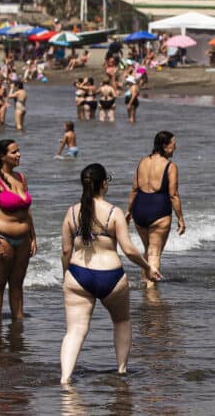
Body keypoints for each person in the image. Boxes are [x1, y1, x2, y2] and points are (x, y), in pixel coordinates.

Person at [60, 163, 161, 384]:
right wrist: (147, 267)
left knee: (75, 331)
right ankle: (122, 371)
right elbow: (129, 249)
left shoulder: (71, 212)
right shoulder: (114, 212)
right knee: (122, 321)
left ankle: (65, 379)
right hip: (111, 277)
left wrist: (66, 276)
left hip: (78, 275)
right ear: (104, 184)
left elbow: (67, 250)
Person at [0, 140, 37, 322]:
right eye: (14, 152)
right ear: (2, 156)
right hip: (3, 238)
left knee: (17, 283)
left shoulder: (20, 177)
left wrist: (33, 237)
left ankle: (18, 323)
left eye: (18, 151)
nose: (18, 155)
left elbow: (27, 212)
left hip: (23, 239)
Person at [126, 131, 185, 285]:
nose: (176, 147)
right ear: (165, 146)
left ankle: (146, 283)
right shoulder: (170, 166)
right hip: (159, 211)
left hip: (139, 209)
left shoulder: (142, 162)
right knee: (154, 254)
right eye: (173, 144)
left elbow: (134, 189)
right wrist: (180, 218)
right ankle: (151, 295)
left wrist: (128, 211)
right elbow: (173, 194)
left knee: (147, 250)